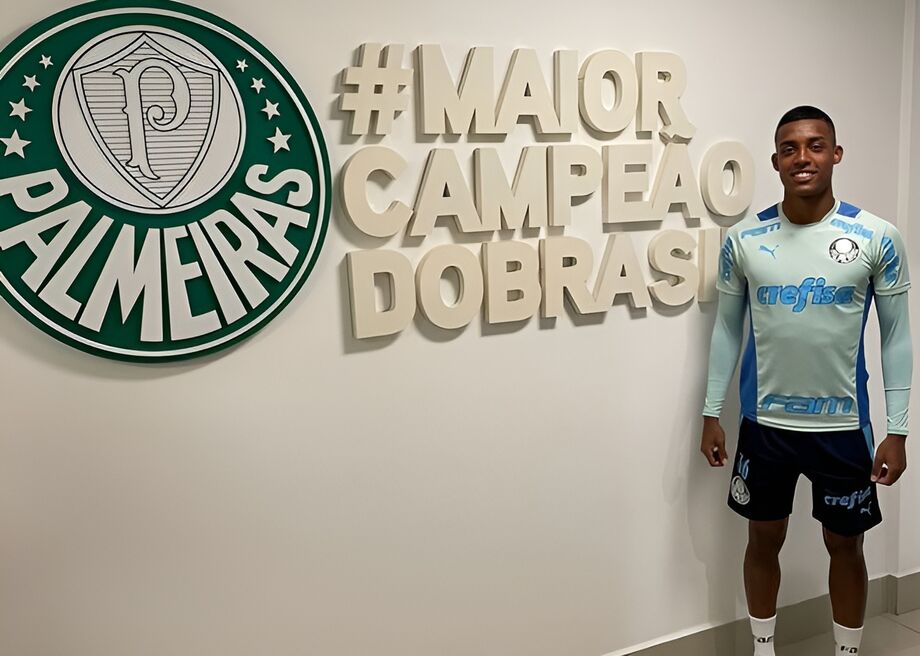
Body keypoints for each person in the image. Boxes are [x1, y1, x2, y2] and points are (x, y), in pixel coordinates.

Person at [700, 105, 912, 656]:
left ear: (836, 154)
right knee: (762, 538)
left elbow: (896, 338)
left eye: (815, 145)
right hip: (764, 426)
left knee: (845, 545)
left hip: (842, 428)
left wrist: (898, 429)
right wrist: (710, 413)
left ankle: (847, 652)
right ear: (775, 161)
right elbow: (726, 331)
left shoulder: (876, 237)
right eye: (789, 148)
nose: (803, 157)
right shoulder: (744, 239)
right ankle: (763, 649)